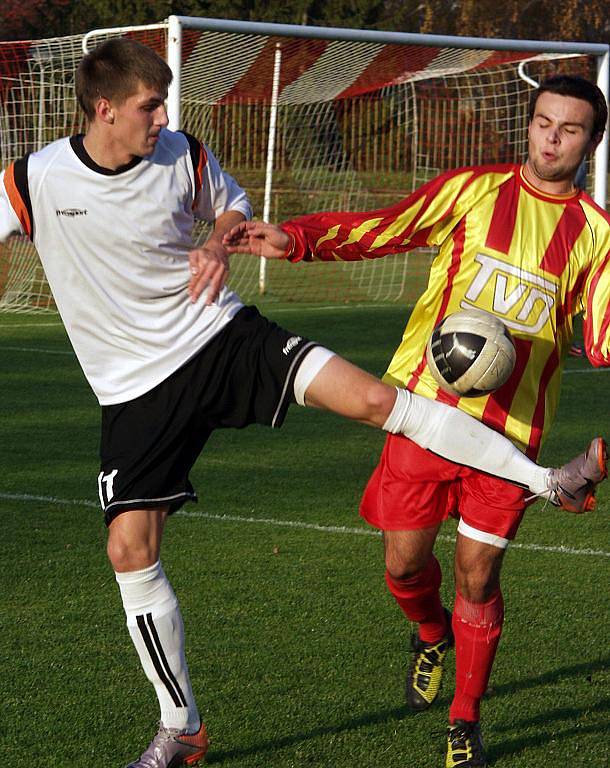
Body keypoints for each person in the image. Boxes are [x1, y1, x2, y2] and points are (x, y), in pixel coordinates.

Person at [0, 38, 604, 764]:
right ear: (105, 109)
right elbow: (386, 226)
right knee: (131, 549)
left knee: (379, 405)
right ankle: (182, 727)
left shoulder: (181, 154)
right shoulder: (33, 181)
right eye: (149, 104)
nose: (163, 116)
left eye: (161, 102)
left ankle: (542, 498)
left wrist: (222, 243)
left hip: (222, 339)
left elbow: (227, 208)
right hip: (135, 388)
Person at [224, 75, 609, 768]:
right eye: (544, 122)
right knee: (404, 565)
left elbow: (604, 341)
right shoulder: (473, 190)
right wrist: (298, 240)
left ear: (591, 141)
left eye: (570, 129)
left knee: (478, 577)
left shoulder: (597, 234)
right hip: (422, 413)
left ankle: (465, 722)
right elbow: (386, 228)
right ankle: (429, 634)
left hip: (509, 438)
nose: (552, 138)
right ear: (529, 124)